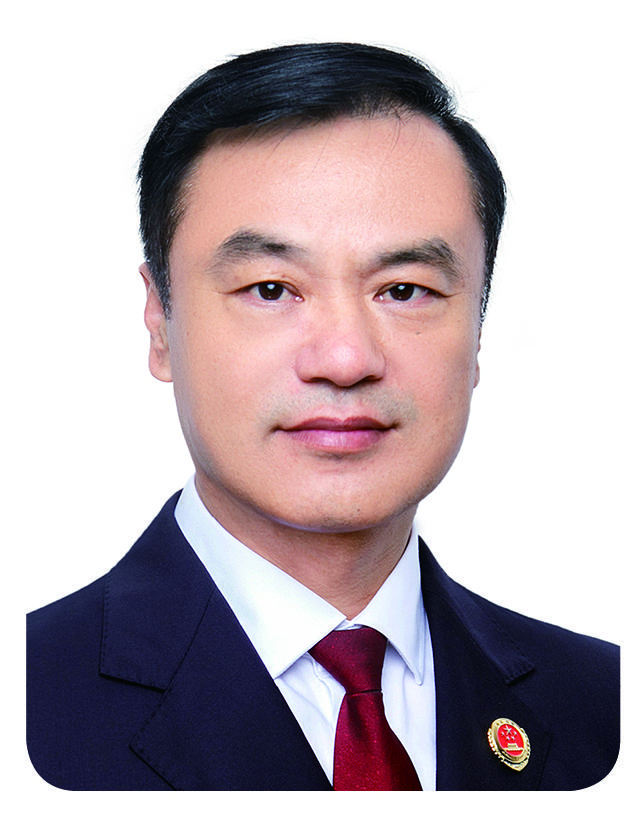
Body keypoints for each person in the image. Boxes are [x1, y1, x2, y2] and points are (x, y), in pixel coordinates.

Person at [26, 42, 619, 791]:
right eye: (271, 289)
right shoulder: (30, 700)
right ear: (159, 324)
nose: (344, 359)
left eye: (404, 290)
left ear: (477, 328)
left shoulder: (604, 704)